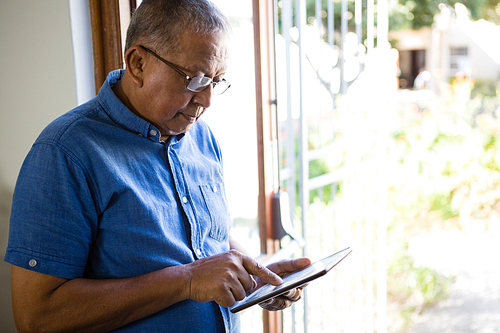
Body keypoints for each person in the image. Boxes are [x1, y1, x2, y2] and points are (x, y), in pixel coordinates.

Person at [4, 0, 310, 332]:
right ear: (137, 64)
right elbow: (36, 317)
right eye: (195, 79)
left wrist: (258, 278)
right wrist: (186, 280)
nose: (206, 100)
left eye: (216, 81)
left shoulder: (201, 137)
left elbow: (207, 239)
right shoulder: (64, 152)